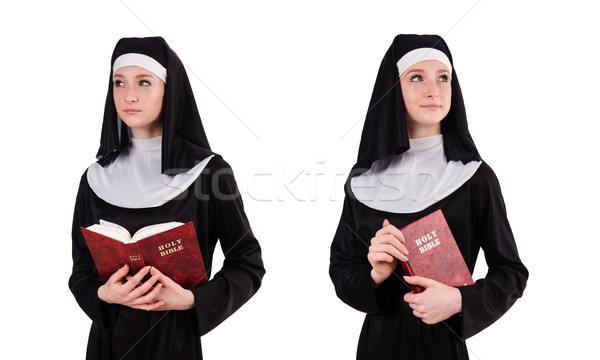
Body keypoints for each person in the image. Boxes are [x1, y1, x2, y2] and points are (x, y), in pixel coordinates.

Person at [329, 34, 528, 359]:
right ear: (393, 87)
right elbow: (341, 267)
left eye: (443, 78)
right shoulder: (363, 181)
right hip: (377, 347)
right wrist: (375, 275)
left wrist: (461, 301)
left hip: (442, 347)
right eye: (417, 77)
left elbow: (511, 274)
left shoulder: (475, 178)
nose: (433, 89)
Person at [68, 37, 265, 359]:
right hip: (108, 343)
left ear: (169, 89)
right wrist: (104, 293)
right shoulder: (94, 177)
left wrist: (190, 300)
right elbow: (81, 271)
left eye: (144, 82)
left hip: (173, 342)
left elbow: (247, 264)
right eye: (119, 83)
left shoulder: (208, 172)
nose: (129, 95)